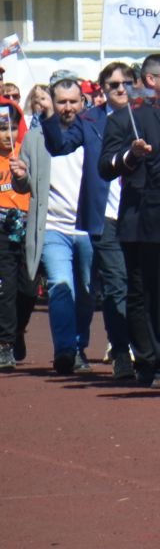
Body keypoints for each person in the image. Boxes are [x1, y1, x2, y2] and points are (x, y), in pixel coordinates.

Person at [103, 52, 160, 387]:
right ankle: (150, 361)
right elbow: (105, 166)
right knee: (140, 291)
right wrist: (130, 155)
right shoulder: (125, 119)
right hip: (138, 217)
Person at [39, 77, 111, 374]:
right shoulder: (40, 134)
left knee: (85, 290)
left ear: (83, 102)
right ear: (52, 104)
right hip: (53, 225)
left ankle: (79, 345)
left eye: (73, 102)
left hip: (87, 226)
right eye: (61, 102)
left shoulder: (95, 130)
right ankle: (66, 350)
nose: (67, 108)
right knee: (60, 285)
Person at [0, 95, 45, 368]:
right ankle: (5, 343)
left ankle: (17, 330)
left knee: (29, 289)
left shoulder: (25, 153)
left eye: (12, 128)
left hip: (28, 226)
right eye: (2, 129)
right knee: (6, 288)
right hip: (2, 228)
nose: (8, 135)